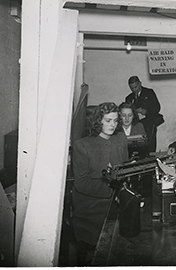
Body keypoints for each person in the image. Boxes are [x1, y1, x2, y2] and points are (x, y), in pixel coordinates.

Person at [71, 102, 128, 265]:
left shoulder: (120, 139)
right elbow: (81, 183)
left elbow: (125, 168)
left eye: (116, 121)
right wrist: (111, 187)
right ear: (98, 121)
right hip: (90, 208)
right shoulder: (82, 146)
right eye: (108, 120)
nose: (113, 125)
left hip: (115, 203)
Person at [125, 76, 162, 153]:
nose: (134, 90)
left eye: (136, 87)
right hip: (136, 125)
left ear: (140, 83)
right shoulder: (129, 98)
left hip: (149, 124)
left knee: (150, 145)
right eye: (132, 88)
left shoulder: (149, 93)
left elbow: (157, 108)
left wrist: (146, 111)